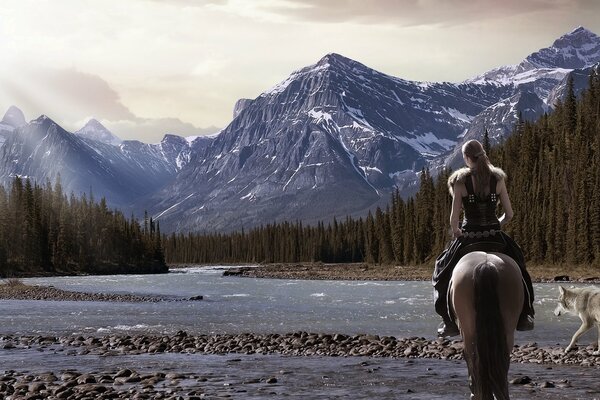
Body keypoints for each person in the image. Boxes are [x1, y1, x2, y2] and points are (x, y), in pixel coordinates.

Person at [432, 139, 535, 337]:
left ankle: (447, 321)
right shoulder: (497, 179)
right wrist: (497, 224)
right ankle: (525, 315)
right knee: (520, 267)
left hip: (468, 237)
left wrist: (457, 231)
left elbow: (454, 220)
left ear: (466, 158)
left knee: (441, 271)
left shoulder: (460, 182)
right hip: (494, 236)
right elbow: (510, 214)